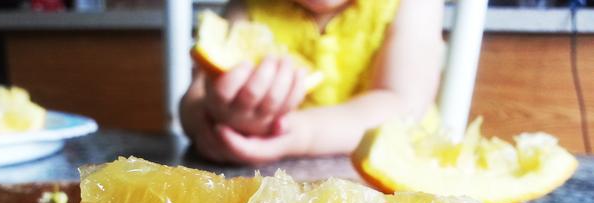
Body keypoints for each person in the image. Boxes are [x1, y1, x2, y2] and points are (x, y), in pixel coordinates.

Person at [180, 0, 444, 165]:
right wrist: (218, 119)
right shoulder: (250, 6)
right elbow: (193, 101)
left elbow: (402, 105)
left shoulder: (413, 4)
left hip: (396, 191)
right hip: (280, 194)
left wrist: (298, 134)